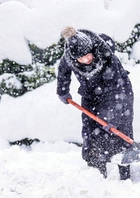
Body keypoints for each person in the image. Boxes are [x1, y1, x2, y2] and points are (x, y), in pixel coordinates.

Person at [57, 26, 134, 179]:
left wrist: (112, 118)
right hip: (90, 95)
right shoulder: (69, 56)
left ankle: (125, 176)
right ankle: (97, 176)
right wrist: (62, 91)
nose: (85, 60)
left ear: (92, 49)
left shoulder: (106, 55)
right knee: (91, 133)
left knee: (120, 132)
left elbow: (115, 89)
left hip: (119, 92)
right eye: (81, 58)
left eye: (87, 56)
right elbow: (63, 71)